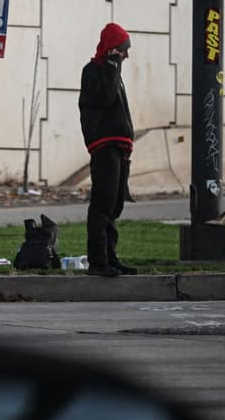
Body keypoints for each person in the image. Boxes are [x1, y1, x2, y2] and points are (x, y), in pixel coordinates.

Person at [78, 22, 137, 277]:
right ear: (112, 48)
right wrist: (112, 65)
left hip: (119, 147)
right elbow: (106, 98)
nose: (126, 55)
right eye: (123, 49)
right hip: (104, 147)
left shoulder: (114, 72)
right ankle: (98, 261)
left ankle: (111, 257)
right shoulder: (94, 71)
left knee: (114, 205)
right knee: (103, 202)